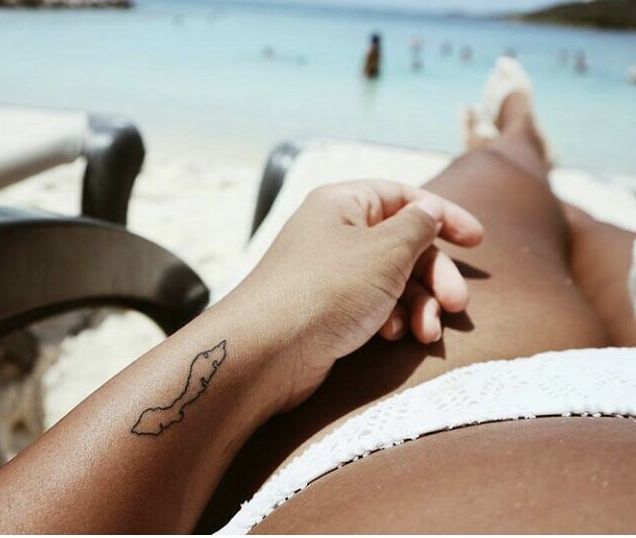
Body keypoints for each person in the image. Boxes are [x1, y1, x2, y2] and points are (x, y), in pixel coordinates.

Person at [0, 59, 635, 534]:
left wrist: (277, 312)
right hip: (493, 415)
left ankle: (515, 150)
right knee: (556, 215)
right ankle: (519, 136)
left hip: (448, 423)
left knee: (518, 204)